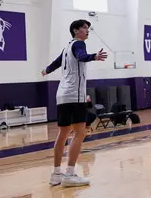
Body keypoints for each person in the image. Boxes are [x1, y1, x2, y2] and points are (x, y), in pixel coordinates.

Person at [41, 19, 108, 187]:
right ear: (75, 31)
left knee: (63, 134)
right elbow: (81, 57)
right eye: (84, 28)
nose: (87, 30)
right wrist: (94, 56)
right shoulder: (79, 44)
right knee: (80, 132)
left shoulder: (66, 48)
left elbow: (56, 63)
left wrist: (46, 70)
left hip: (62, 95)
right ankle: (70, 174)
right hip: (74, 95)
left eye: (88, 28)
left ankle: (56, 174)